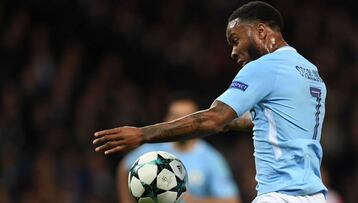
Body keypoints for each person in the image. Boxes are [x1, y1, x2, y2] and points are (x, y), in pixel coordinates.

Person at [93, 1, 328, 202]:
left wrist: (143, 134)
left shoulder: (264, 67)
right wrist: (230, 122)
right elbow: (266, 120)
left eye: (235, 40)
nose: (233, 52)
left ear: (261, 30)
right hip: (315, 195)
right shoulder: (310, 72)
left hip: (279, 195)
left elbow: (214, 119)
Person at [117, 98, 241, 203]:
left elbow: (232, 200)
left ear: (200, 123)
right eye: (176, 117)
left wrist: (192, 200)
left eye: (187, 118)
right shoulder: (153, 152)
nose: (182, 124)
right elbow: (124, 169)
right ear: (166, 120)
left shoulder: (211, 158)